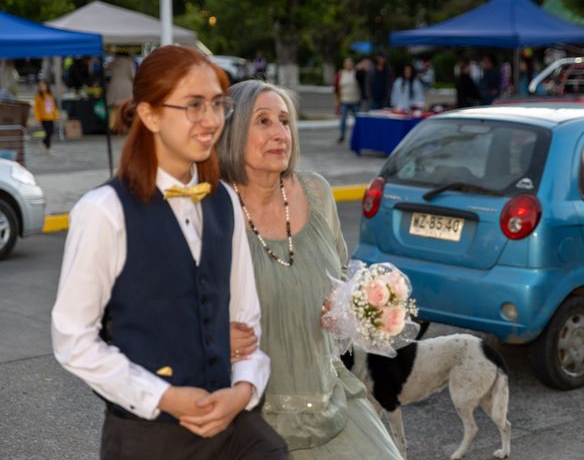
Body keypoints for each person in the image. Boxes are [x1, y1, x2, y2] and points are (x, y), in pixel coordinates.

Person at [51, 45, 286, 459]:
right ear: (150, 114)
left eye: (217, 104)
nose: (211, 120)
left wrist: (243, 391)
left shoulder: (224, 200)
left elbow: (246, 320)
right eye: (193, 106)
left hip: (232, 428)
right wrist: (163, 396)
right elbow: (73, 340)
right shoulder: (104, 211)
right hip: (149, 439)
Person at [216, 79, 403, 459]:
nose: (279, 133)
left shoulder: (316, 193)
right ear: (231, 132)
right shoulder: (212, 213)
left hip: (329, 404)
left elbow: (339, 281)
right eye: (263, 121)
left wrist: (348, 312)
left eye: (285, 121)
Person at [106, 51, 136, 132]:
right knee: (126, 108)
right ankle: (125, 127)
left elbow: (106, 73)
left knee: (115, 109)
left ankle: (114, 127)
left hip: (114, 87)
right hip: (126, 87)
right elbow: (133, 76)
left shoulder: (113, 62)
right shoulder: (129, 62)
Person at [334, 57, 360, 143]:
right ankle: (342, 136)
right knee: (343, 120)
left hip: (355, 100)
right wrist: (337, 100)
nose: (348, 65)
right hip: (344, 100)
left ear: (352, 64)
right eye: (346, 63)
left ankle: (358, 137)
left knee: (357, 120)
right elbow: (336, 88)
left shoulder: (357, 73)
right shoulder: (341, 74)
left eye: (350, 63)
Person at [33, 79, 59, 151]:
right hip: (43, 117)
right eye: (41, 86)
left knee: (51, 131)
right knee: (48, 131)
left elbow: (53, 107)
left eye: (43, 86)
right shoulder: (38, 97)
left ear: (47, 86)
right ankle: (47, 145)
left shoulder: (50, 95)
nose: (42, 87)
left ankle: (45, 143)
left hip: (50, 117)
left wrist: (56, 116)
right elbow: (36, 108)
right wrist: (37, 118)